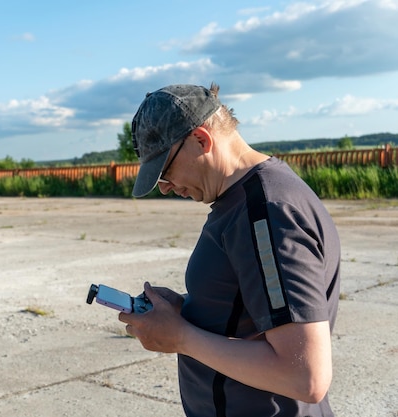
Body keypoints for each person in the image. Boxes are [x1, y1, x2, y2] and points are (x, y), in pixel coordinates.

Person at [120, 83, 340, 416]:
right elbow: (252, 309)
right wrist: (190, 309)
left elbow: (305, 376)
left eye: (164, 171)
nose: (164, 188)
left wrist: (180, 337)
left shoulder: (265, 213)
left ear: (201, 140)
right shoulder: (244, 202)